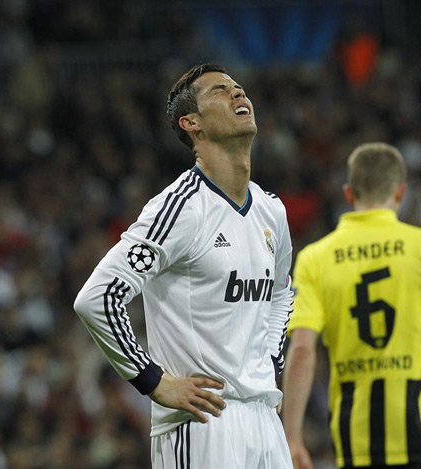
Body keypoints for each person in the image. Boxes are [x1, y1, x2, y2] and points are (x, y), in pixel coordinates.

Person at [74, 63, 294, 469]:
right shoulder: (181, 209)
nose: (238, 93)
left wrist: (270, 361)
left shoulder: (272, 211)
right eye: (219, 91)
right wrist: (152, 380)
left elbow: (281, 293)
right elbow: (98, 297)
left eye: (239, 87)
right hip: (203, 421)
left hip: (265, 417)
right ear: (191, 123)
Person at [282, 142, 421, 469]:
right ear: (400, 193)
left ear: (349, 194)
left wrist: (292, 437)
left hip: (354, 443)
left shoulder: (316, 258)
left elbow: (302, 351)